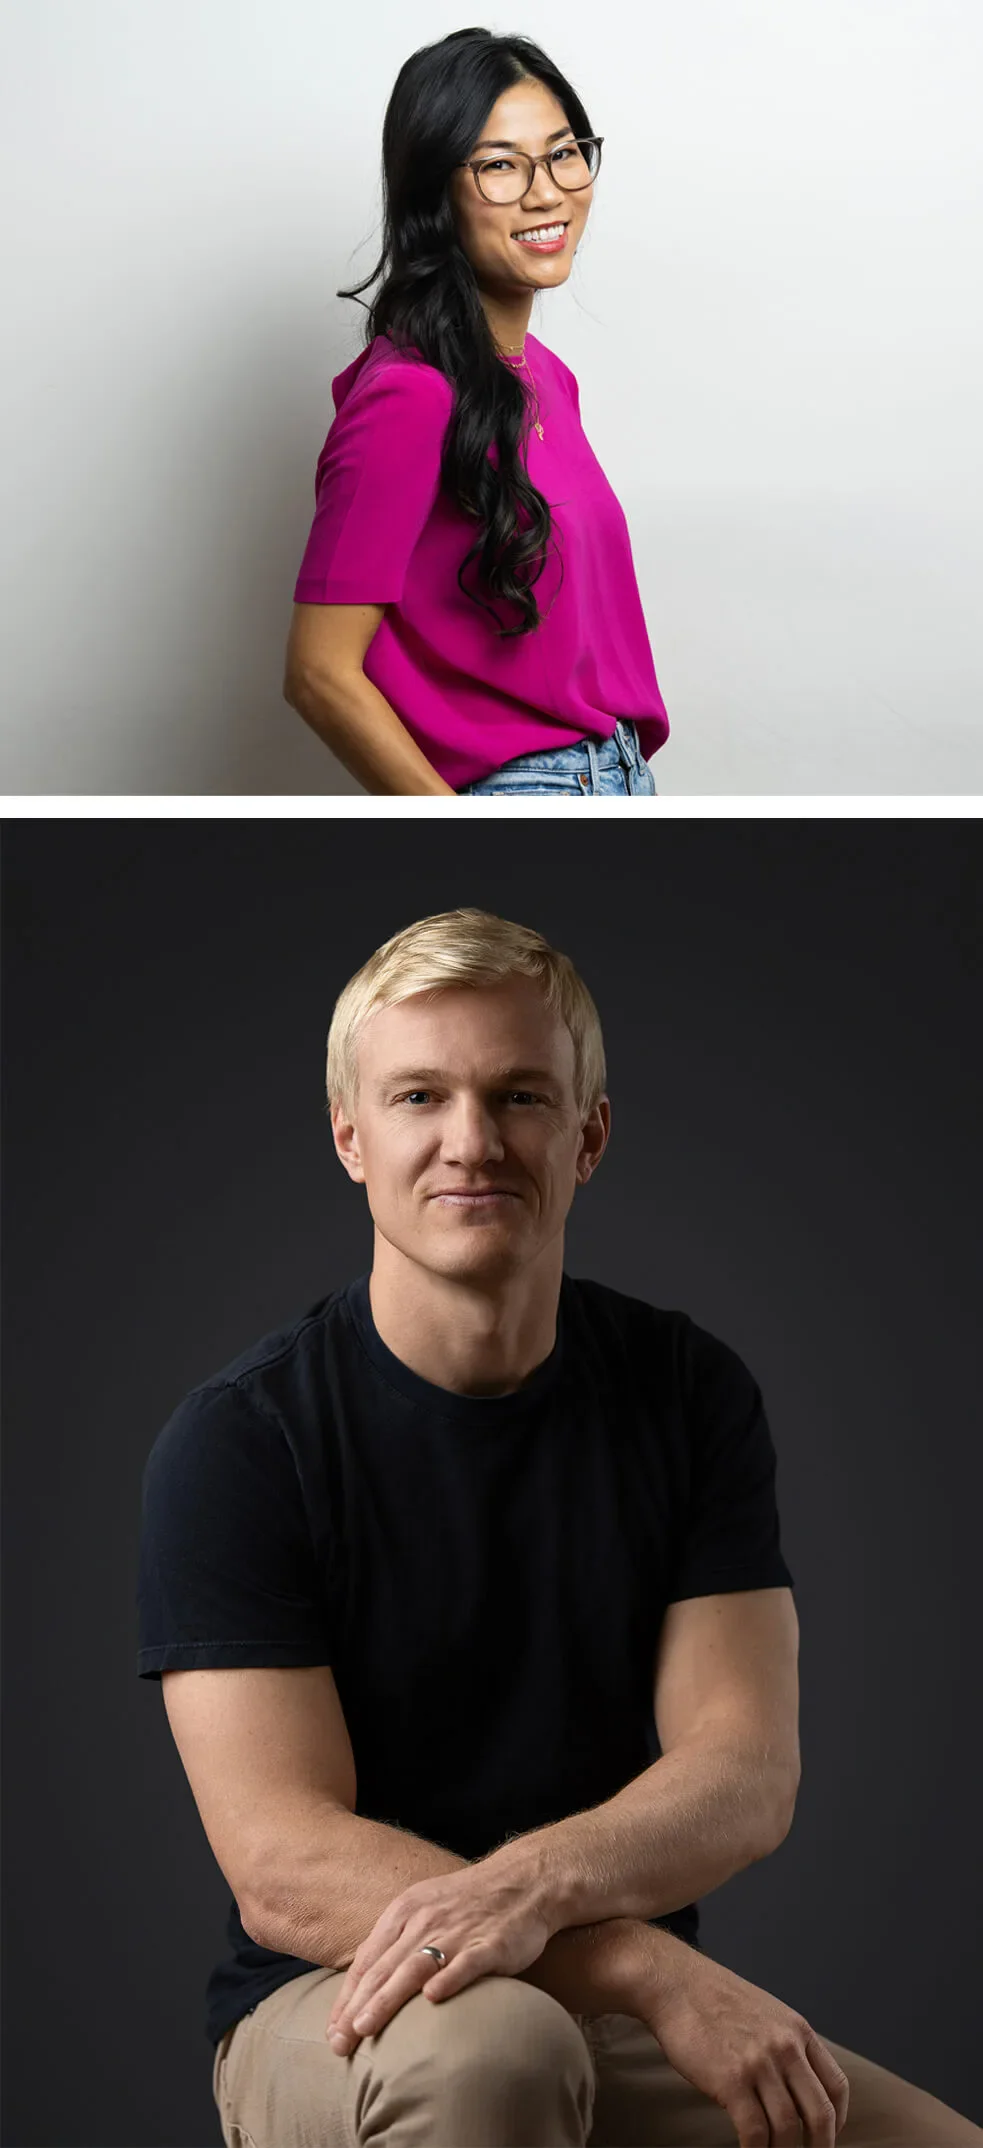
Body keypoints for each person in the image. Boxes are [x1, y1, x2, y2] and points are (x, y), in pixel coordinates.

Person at [137, 908, 982, 2147]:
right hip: (341, 2001)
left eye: (519, 1096)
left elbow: (742, 1770)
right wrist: (639, 1961)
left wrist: (542, 1902)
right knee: (497, 2054)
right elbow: (283, 1865)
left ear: (587, 1135)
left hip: (597, 2001)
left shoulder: (685, 1391)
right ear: (350, 1137)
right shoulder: (242, 1440)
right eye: (418, 1097)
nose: (470, 1142)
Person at [281, 30, 667, 798]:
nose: (546, 192)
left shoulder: (546, 378)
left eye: (563, 153)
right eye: (498, 165)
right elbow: (318, 672)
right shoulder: (408, 395)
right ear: (436, 194)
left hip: (615, 776)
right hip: (527, 792)